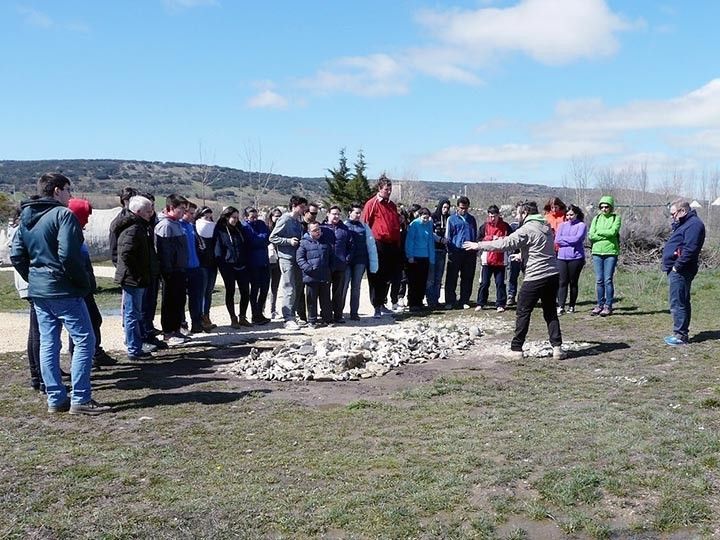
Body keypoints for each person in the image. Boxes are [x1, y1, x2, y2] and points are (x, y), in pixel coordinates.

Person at [11, 172, 109, 415]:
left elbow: (16, 255)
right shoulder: (63, 215)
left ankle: (55, 397)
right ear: (56, 190)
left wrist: (34, 277)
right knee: (85, 340)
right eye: (68, 190)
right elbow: (68, 255)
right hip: (64, 289)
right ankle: (81, 398)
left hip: (40, 291)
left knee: (48, 343)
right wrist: (82, 282)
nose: (70, 195)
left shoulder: (26, 216)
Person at [463, 201, 565, 360]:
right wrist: (522, 255)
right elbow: (541, 248)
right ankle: (557, 348)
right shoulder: (546, 226)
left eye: (518, 214)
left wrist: (479, 245)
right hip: (552, 275)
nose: (517, 217)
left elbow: (505, 243)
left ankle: (517, 349)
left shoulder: (526, 228)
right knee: (550, 311)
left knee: (523, 311)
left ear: (525, 214)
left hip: (535, 276)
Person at [67, 198, 115, 368]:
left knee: (94, 319)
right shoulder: (69, 234)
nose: (88, 220)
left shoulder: (78, 232)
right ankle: (83, 359)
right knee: (82, 326)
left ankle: (94, 352)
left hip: (85, 286)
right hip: (78, 288)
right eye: (85, 216)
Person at [114, 195, 157, 360]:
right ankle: (134, 349)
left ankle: (136, 345)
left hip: (137, 278)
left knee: (135, 313)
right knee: (132, 314)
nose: (151, 213)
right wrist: (138, 273)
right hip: (132, 279)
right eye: (148, 211)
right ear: (138, 211)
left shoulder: (140, 226)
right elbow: (126, 254)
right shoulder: (133, 228)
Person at [662, 200, 706, 345]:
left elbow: (690, 249)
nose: (672, 217)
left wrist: (677, 266)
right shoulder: (684, 224)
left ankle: (680, 335)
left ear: (682, 211)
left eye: (673, 214)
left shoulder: (694, 225)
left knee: (678, 301)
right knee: (680, 300)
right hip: (677, 268)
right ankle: (681, 333)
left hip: (682, 269)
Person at [361, 175, 401, 319]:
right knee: (376, 275)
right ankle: (376, 306)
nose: (388, 192)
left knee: (388, 276)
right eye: (386, 189)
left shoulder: (392, 205)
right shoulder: (371, 204)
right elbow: (364, 223)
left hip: (392, 245)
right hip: (378, 244)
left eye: (390, 190)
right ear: (379, 189)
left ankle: (383, 303)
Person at [155, 194, 190, 345]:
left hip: (180, 269)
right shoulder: (165, 226)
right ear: (170, 208)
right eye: (181, 208)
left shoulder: (177, 224)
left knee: (179, 300)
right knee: (170, 301)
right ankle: (168, 332)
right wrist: (168, 271)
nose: (184, 212)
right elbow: (164, 252)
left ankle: (176, 329)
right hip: (171, 272)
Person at [270, 195, 308, 330]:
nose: (304, 209)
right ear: (294, 206)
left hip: (297, 258)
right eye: (302, 207)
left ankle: (293, 315)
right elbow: (273, 237)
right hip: (286, 258)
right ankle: (287, 318)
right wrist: (288, 241)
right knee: (289, 287)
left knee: (297, 287)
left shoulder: (298, 221)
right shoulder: (285, 219)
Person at [214, 206, 251, 328]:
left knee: (245, 291)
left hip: (242, 265)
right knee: (230, 292)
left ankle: (242, 317)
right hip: (228, 266)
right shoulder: (220, 230)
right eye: (233, 217)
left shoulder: (239, 229)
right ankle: (233, 318)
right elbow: (218, 251)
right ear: (226, 217)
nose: (235, 220)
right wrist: (222, 266)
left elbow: (244, 245)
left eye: (237, 217)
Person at [343, 203, 378, 321]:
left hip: (360, 260)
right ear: (350, 213)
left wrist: (373, 263)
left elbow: (371, 245)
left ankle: (354, 312)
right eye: (356, 212)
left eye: (360, 213)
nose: (358, 215)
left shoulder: (364, 226)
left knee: (356, 287)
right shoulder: (343, 226)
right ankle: (339, 311)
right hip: (347, 262)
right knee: (344, 286)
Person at [589, 195, 621, 316]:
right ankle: (599, 304)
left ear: (611, 207)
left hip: (610, 252)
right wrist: (604, 235)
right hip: (597, 252)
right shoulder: (596, 219)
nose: (604, 209)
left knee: (608, 279)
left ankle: (608, 305)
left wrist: (599, 233)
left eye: (606, 206)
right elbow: (591, 235)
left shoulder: (616, 218)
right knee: (599, 280)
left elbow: (613, 232)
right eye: (601, 207)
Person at [296, 222, 334, 328]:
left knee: (326, 299)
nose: (317, 232)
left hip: (324, 275)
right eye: (314, 230)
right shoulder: (303, 243)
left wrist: (330, 269)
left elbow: (331, 257)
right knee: (311, 300)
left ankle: (328, 319)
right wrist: (309, 268)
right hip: (311, 276)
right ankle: (312, 320)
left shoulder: (325, 242)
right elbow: (300, 259)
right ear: (309, 232)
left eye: (318, 230)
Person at [476, 205, 512, 312]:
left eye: (494, 216)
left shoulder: (505, 226)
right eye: (490, 216)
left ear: (498, 215)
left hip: (501, 260)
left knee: (500, 283)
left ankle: (500, 304)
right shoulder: (484, 227)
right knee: (484, 283)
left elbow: (512, 239)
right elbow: (479, 240)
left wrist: (503, 239)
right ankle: (481, 303)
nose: (492, 218)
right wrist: (491, 238)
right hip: (487, 260)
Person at [445, 196, 478, 309]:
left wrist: (475, 249)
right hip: (455, 251)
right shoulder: (451, 219)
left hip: (469, 252)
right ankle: (450, 301)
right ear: (457, 207)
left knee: (467, 277)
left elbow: (475, 235)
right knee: (452, 277)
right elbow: (448, 236)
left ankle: (464, 300)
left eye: (465, 208)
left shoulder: (472, 219)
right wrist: (450, 250)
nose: (463, 210)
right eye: (461, 208)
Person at [322, 205, 352, 323]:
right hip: (325, 265)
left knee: (338, 291)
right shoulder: (322, 228)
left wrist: (346, 258)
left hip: (340, 265)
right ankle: (326, 315)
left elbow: (351, 246)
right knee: (324, 292)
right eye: (334, 213)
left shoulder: (344, 229)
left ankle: (338, 315)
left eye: (338, 214)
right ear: (328, 214)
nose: (336, 216)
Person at [555, 205, 587, 314]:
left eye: (571, 214)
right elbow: (557, 240)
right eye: (567, 215)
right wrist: (568, 241)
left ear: (576, 214)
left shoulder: (581, 225)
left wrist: (565, 240)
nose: (569, 217)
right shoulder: (562, 225)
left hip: (576, 257)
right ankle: (561, 306)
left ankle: (572, 305)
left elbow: (577, 239)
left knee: (573, 282)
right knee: (562, 282)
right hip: (562, 257)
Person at [243, 206, 271, 325]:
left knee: (265, 289)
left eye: (256, 216)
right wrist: (261, 239)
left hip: (264, 261)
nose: (254, 219)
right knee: (255, 289)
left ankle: (260, 312)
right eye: (251, 217)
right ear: (246, 217)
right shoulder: (244, 227)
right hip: (252, 263)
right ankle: (254, 314)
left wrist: (259, 239)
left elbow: (268, 237)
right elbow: (251, 241)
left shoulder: (261, 224)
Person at [179, 202, 205, 333]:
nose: (193, 216)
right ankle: (182, 324)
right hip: (184, 268)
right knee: (181, 299)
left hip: (196, 267)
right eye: (191, 213)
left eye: (194, 213)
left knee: (196, 298)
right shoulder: (178, 226)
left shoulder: (191, 226)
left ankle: (197, 323)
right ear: (184, 212)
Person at [404, 208, 435, 312]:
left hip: (425, 256)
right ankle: (412, 303)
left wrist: (432, 258)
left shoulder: (430, 224)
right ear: (420, 216)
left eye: (427, 217)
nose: (426, 220)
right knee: (414, 282)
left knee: (422, 281)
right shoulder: (414, 225)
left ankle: (420, 302)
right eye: (424, 217)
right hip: (415, 257)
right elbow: (409, 241)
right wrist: (410, 256)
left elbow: (431, 241)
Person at [195, 206, 218, 331]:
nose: (208, 220)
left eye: (210, 217)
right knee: (201, 292)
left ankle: (206, 316)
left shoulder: (213, 228)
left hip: (212, 263)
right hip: (201, 263)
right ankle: (199, 318)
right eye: (206, 217)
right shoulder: (196, 227)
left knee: (208, 291)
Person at [426, 198, 450, 309]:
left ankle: (436, 300)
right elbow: (431, 233)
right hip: (433, 250)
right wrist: (440, 240)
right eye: (444, 207)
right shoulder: (433, 218)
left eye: (448, 208)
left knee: (439, 277)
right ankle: (430, 300)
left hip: (443, 251)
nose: (445, 210)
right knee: (431, 277)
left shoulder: (448, 219)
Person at [109, 186, 138, 266]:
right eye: (128, 200)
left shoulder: (141, 218)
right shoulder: (118, 222)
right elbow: (114, 249)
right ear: (124, 201)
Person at [265, 208, 283, 320]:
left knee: (274, 288)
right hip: (267, 260)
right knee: (264, 287)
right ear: (271, 216)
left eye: (279, 216)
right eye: (276, 215)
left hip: (278, 260)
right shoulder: (266, 229)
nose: (278, 218)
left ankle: (272, 309)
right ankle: (260, 310)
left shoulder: (282, 229)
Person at [506, 201, 524, 307]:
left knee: (528, 276)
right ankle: (511, 295)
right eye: (519, 212)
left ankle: (527, 296)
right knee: (512, 276)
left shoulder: (529, 226)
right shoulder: (513, 226)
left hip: (527, 255)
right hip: (514, 254)